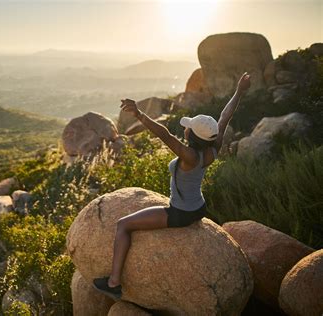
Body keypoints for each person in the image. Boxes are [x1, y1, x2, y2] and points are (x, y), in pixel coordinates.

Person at [92, 72, 251, 300]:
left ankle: (114, 283)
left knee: (123, 225)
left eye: (188, 128)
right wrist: (239, 90)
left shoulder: (188, 156)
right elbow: (224, 117)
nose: (185, 128)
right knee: (132, 220)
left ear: (192, 135)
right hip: (199, 208)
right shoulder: (212, 148)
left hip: (181, 213)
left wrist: (138, 113)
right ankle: (114, 281)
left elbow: (163, 134)